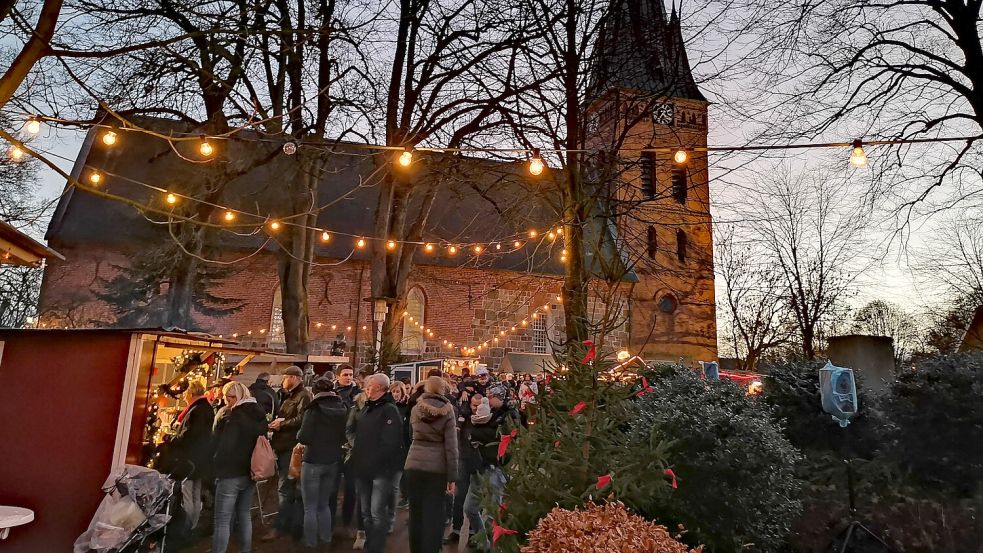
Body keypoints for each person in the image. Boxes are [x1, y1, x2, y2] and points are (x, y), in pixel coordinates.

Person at [347, 373, 404, 553]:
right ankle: (369, 544)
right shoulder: (367, 408)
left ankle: (376, 547)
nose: (366, 390)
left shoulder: (389, 410)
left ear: (378, 388)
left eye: (369, 387)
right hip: (363, 469)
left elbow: (390, 442)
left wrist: (374, 461)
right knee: (365, 512)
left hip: (380, 471)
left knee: (377, 513)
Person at [211, 381, 267, 553]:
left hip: (230, 472)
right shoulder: (259, 414)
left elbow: (226, 446)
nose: (228, 401)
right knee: (244, 515)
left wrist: (216, 465)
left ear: (238, 396)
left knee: (222, 519)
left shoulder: (233, 416)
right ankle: (245, 550)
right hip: (250, 471)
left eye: (231, 397)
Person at [404, 376, 459, 553]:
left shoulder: (415, 409)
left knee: (415, 512)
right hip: (437, 468)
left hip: (414, 464)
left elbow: (411, 434)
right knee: (434, 514)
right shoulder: (448, 411)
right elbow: (451, 447)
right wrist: (452, 476)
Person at [463, 385, 517, 551]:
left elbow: (500, 436)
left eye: (490, 396)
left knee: (493, 509)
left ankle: (491, 544)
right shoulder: (486, 413)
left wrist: (479, 434)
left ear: (499, 397)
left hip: (497, 467)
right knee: (470, 508)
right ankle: (482, 538)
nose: (487, 399)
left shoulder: (509, 415)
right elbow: (470, 430)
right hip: (479, 465)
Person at [297, 377, 347, 551]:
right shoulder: (342, 408)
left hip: (313, 459)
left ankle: (311, 543)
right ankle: (325, 539)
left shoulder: (314, 409)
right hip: (333, 459)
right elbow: (344, 434)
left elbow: (303, 436)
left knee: (310, 506)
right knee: (324, 503)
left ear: (316, 392)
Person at [264, 365, 313, 541]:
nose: (283, 380)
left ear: (294, 378)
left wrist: (281, 425)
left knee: (286, 487)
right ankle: (289, 524)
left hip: (291, 447)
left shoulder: (304, 396)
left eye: (285, 376)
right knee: (286, 487)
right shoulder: (288, 395)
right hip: (283, 445)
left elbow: (302, 419)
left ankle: (282, 526)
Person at [167, 380, 215, 531]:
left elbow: (191, 434)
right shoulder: (206, 408)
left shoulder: (197, 410)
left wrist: (172, 439)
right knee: (194, 493)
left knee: (188, 493)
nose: (184, 397)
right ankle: (192, 526)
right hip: (201, 458)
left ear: (191, 393)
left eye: (186, 393)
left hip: (191, 458)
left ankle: (187, 527)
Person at [445, 392, 483, 547]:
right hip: (464, 458)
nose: (476, 409)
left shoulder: (486, 419)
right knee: (460, 496)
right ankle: (456, 529)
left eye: (479, 406)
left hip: (479, 462)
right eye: (474, 405)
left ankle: (475, 532)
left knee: (476, 498)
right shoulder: (463, 418)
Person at [331, 365, 361, 538]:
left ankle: (348, 521)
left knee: (351, 488)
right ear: (338, 376)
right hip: (334, 443)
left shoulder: (358, 396)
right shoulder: (333, 394)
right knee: (332, 486)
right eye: (345, 375)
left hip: (351, 446)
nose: (349, 377)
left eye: (351, 374)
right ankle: (332, 521)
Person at [387, 381, 411, 533]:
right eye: (394, 392)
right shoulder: (387, 408)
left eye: (398, 392)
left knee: (394, 487)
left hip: (400, 451)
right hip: (386, 451)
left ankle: (390, 521)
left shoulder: (407, 409)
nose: (396, 394)